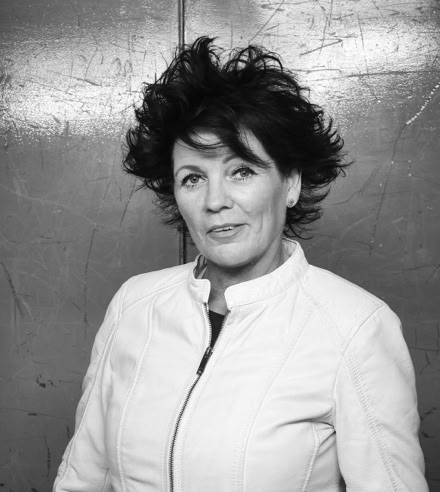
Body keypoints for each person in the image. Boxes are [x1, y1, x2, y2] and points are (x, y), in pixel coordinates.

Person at [53, 37, 428, 491]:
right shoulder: (134, 306)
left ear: (291, 183)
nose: (215, 201)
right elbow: (83, 475)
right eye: (193, 178)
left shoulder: (356, 328)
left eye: (242, 171)